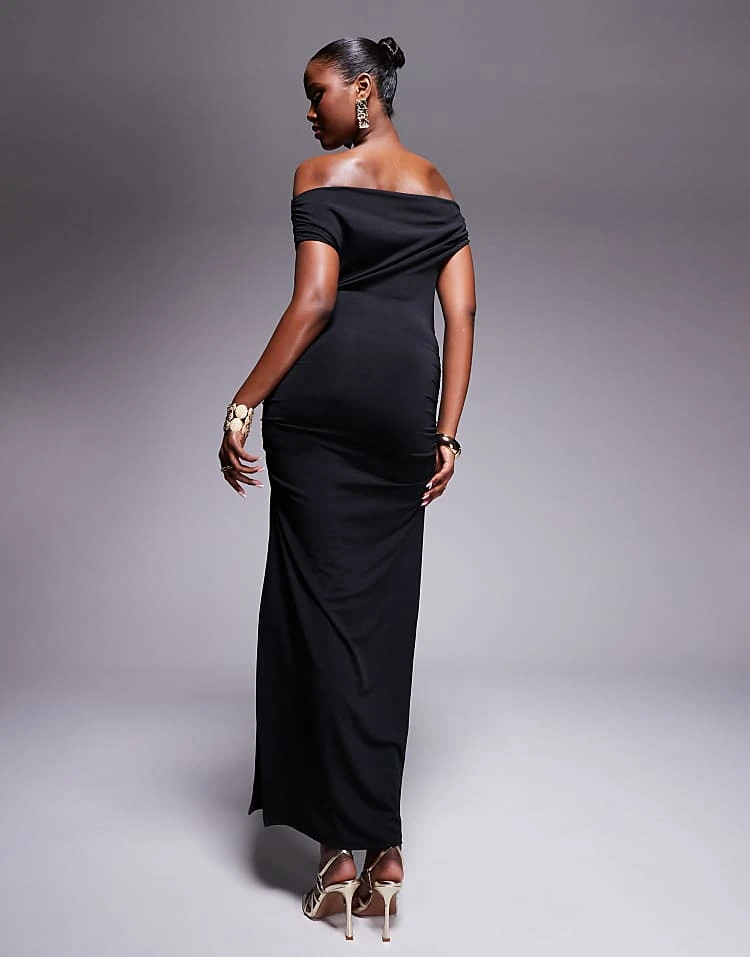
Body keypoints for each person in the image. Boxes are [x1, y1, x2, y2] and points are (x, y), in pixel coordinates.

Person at [218, 35, 476, 942]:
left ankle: (336, 853)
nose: (309, 110)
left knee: (314, 619)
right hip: (402, 421)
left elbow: (316, 300)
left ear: (363, 90)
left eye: (317, 91)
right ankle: (385, 850)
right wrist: (446, 429)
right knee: (380, 626)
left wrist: (244, 400)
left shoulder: (318, 176)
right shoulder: (439, 187)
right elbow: (461, 312)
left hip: (321, 423)